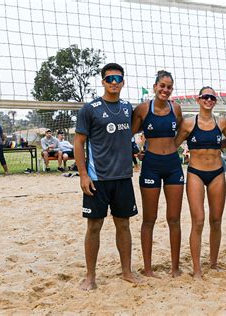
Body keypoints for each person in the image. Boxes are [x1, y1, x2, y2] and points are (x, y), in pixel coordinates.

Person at [75, 62, 140, 290]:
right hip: (97, 178)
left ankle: (126, 271)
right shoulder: (90, 109)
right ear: (103, 82)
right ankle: (90, 276)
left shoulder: (127, 108)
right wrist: (83, 175)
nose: (114, 82)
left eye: (118, 79)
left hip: (122, 178)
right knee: (94, 226)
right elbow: (79, 142)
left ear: (123, 82)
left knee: (124, 225)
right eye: (109, 79)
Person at [174, 86, 226, 279]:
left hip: (217, 173)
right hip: (195, 173)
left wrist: (216, 144)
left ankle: (214, 264)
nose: (209, 100)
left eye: (212, 97)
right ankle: (196, 269)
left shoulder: (222, 122)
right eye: (205, 97)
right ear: (199, 99)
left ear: (214, 101)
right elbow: (173, 145)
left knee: (216, 220)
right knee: (198, 220)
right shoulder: (187, 123)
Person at [131, 70, 184, 277]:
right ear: (155, 87)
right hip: (151, 164)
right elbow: (130, 133)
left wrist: (174, 146)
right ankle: (147, 268)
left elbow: (182, 131)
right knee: (149, 218)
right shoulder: (143, 109)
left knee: (174, 218)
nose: (165, 90)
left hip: (173, 164)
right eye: (162, 85)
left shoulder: (176, 108)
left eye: (169, 87)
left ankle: (175, 267)